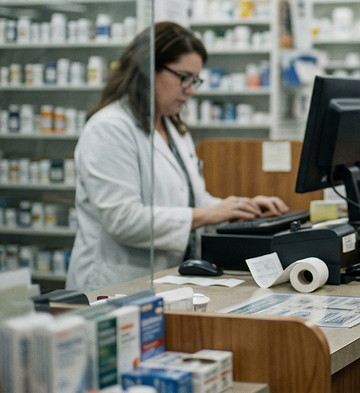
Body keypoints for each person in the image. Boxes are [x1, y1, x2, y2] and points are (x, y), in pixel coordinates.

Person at [67, 22, 288, 292]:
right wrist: (208, 213)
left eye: (195, 79)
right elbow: (123, 219)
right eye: (184, 77)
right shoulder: (109, 128)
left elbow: (191, 201)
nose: (191, 89)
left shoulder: (172, 127)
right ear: (147, 69)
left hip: (166, 281)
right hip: (115, 287)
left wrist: (239, 208)